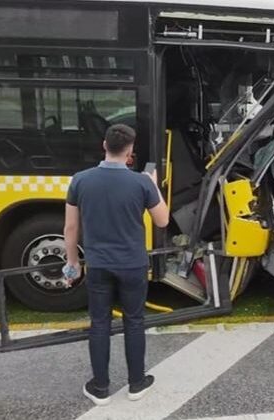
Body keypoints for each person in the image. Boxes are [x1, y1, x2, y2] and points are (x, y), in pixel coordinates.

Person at [63, 124, 170, 405]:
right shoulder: (142, 182)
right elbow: (163, 220)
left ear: (104, 145)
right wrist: (154, 184)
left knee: (99, 323)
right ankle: (136, 384)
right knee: (134, 321)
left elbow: (71, 227)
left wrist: (72, 263)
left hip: (98, 265)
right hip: (133, 265)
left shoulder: (80, 180)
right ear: (130, 151)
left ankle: (100, 388)